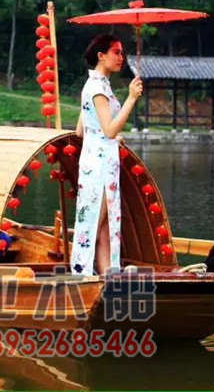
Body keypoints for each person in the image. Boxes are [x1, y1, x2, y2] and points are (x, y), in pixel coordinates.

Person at [71, 34, 143, 276]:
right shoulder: (98, 89)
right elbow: (109, 130)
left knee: (101, 224)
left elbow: (82, 131)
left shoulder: (94, 85)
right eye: (116, 52)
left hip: (95, 161)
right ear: (101, 56)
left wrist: (110, 138)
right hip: (100, 166)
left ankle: (106, 274)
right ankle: (83, 275)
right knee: (94, 222)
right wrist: (131, 98)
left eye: (122, 52)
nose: (121, 57)